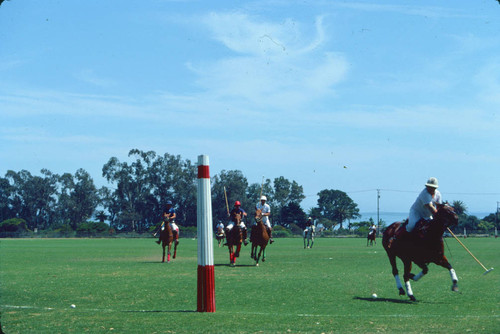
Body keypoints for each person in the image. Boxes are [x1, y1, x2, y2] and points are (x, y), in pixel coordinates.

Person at [393, 177, 442, 243]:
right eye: (428, 186)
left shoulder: (438, 194)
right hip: (417, 212)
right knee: (411, 226)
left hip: (428, 214)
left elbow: (439, 207)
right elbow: (430, 207)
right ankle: (398, 238)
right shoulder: (424, 193)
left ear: (435, 188)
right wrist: (439, 216)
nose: (429, 188)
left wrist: (441, 219)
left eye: (432, 187)